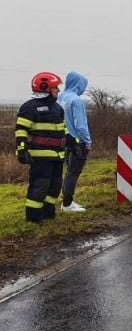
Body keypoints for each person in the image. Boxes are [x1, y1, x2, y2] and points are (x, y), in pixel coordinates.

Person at [15, 72, 66, 223]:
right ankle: (33, 218)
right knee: (39, 186)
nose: (58, 90)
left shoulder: (57, 108)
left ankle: (48, 214)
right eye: (55, 87)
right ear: (45, 88)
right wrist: (22, 150)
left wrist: (74, 142)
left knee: (55, 186)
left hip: (57, 156)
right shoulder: (29, 107)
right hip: (40, 156)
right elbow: (20, 130)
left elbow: (64, 129)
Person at [58, 71, 91, 213]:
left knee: (64, 172)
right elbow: (80, 125)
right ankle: (67, 204)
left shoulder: (59, 97)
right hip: (77, 142)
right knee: (73, 172)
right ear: (79, 84)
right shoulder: (76, 101)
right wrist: (87, 141)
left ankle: (65, 201)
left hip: (61, 140)